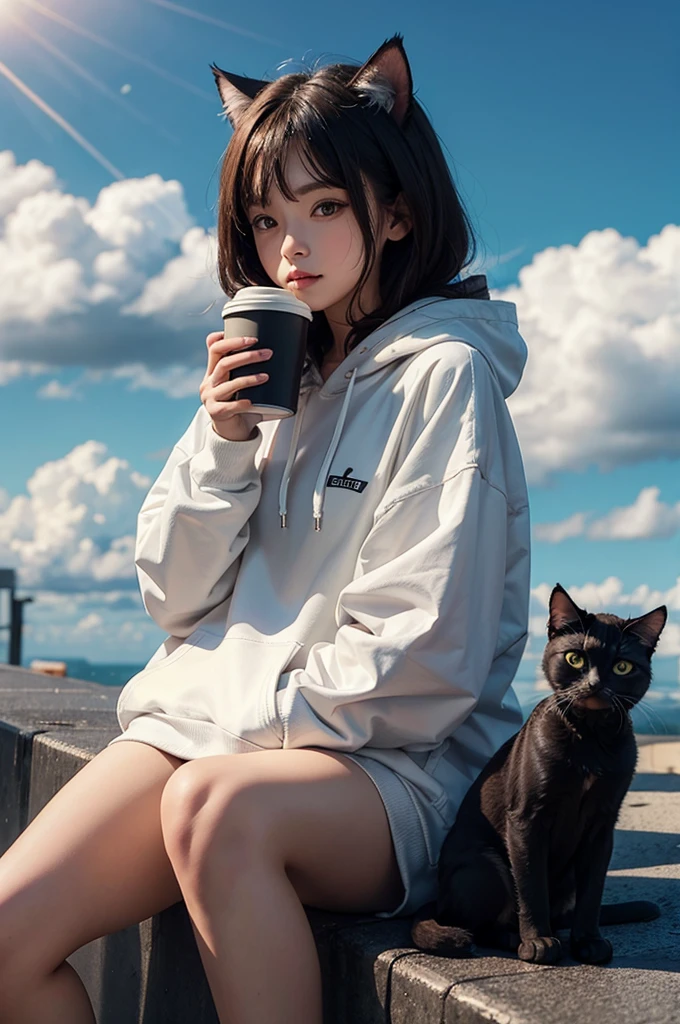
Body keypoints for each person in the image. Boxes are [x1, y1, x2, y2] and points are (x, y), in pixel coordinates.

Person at [0, 33, 530, 1024]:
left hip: (389, 771)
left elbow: (425, 665)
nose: (291, 244)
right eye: (266, 214)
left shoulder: (444, 376)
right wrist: (224, 438)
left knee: (216, 808)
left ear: (399, 210)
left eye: (325, 206)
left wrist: (217, 709)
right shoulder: (274, 372)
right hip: (221, 737)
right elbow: (173, 593)